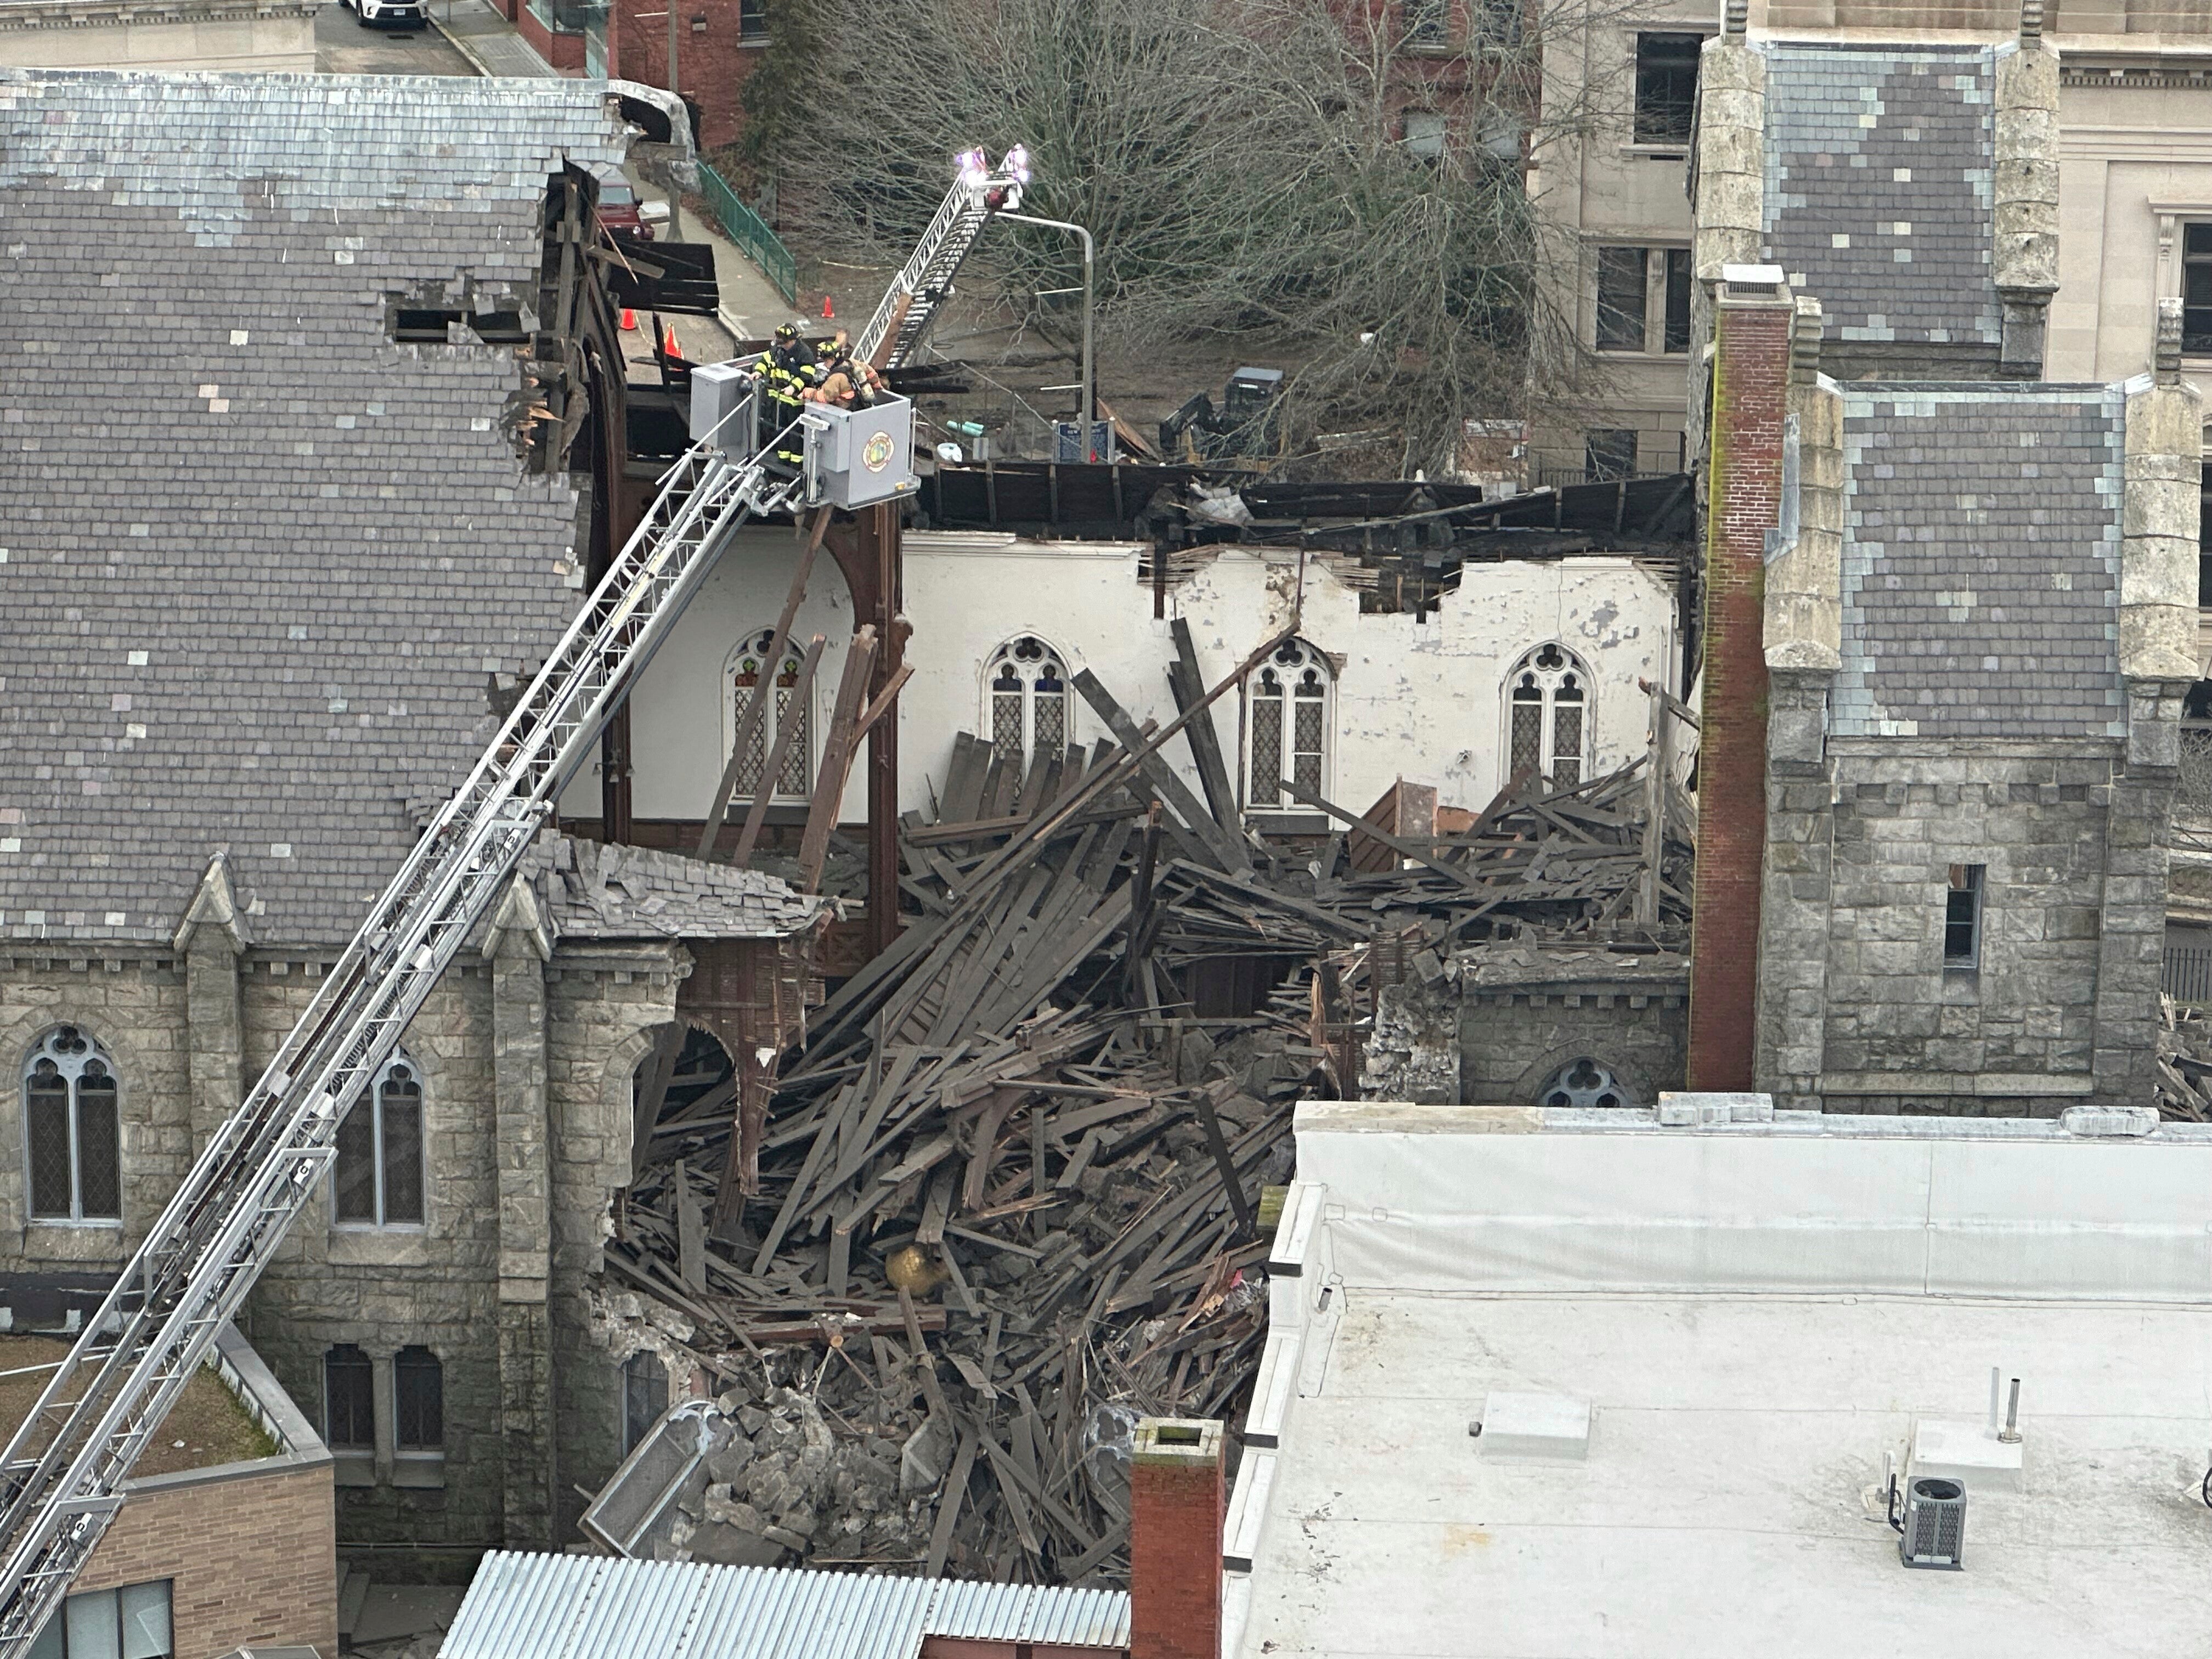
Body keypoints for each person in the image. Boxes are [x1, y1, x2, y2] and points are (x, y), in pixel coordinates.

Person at [760, 321, 817, 467]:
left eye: (785, 343)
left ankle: (796, 462)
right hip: (777, 396)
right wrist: (758, 372)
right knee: (778, 428)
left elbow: (807, 375)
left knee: (795, 432)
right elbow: (765, 360)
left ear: (793, 340)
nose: (782, 346)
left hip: (794, 401)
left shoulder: (804, 353)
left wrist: (793, 387)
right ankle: (783, 457)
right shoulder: (777, 348)